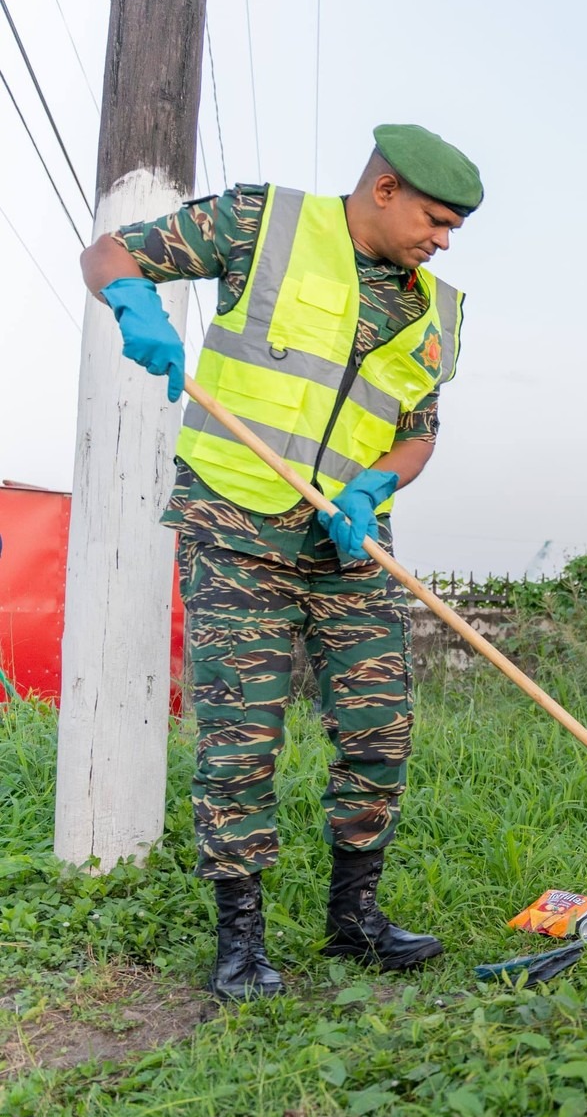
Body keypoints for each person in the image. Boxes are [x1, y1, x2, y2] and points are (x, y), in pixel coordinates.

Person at [79, 124, 482, 1000]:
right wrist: (131, 302)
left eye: (455, 228)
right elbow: (110, 250)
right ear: (384, 191)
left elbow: (420, 430)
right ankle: (240, 946)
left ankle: (355, 919)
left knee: (381, 728)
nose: (444, 240)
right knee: (242, 738)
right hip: (237, 525)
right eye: (436, 219)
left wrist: (376, 486)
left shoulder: (439, 310)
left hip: (349, 544)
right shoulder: (264, 224)